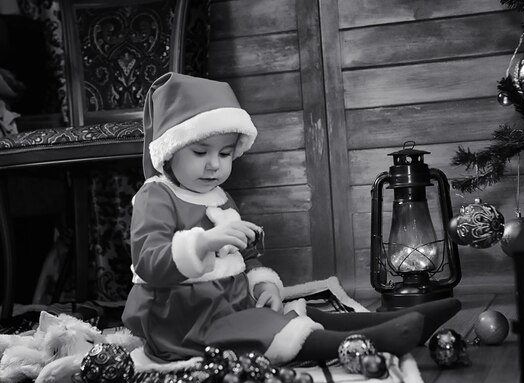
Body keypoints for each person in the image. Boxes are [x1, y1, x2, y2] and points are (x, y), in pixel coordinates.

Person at [122, 72, 461, 365]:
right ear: (169, 150)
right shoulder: (157, 195)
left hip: (226, 303)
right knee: (269, 332)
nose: (214, 164)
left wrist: (263, 282)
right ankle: (373, 340)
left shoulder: (220, 196)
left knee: (294, 312)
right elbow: (149, 261)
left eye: (225, 154)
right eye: (200, 153)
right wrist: (205, 242)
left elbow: (245, 254)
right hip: (181, 317)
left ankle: (386, 319)